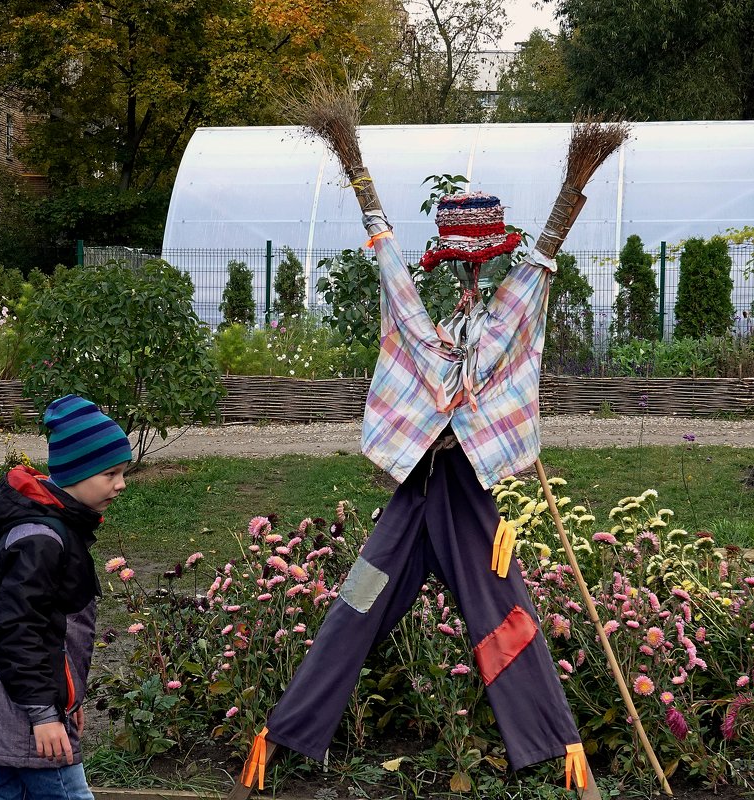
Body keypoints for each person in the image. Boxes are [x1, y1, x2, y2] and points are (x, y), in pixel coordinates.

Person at [231, 193, 602, 800]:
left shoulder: (495, 324)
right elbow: (410, 303)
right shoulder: (454, 329)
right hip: (413, 500)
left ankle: (566, 759)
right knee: (355, 609)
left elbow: (519, 295)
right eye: (465, 263)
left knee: (507, 620)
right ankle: (273, 748)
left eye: (477, 263)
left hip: (466, 502)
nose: (470, 273)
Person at [0, 394, 133, 800]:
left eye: (123, 472)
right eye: (110, 473)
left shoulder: (51, 528)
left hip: (23, 702)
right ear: (75, 472)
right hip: (27, 710)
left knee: (13, 793)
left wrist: (67, 702)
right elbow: (19, 632)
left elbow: (50, 630)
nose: (121, 484)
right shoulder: (42, 540)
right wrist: (45, 713)